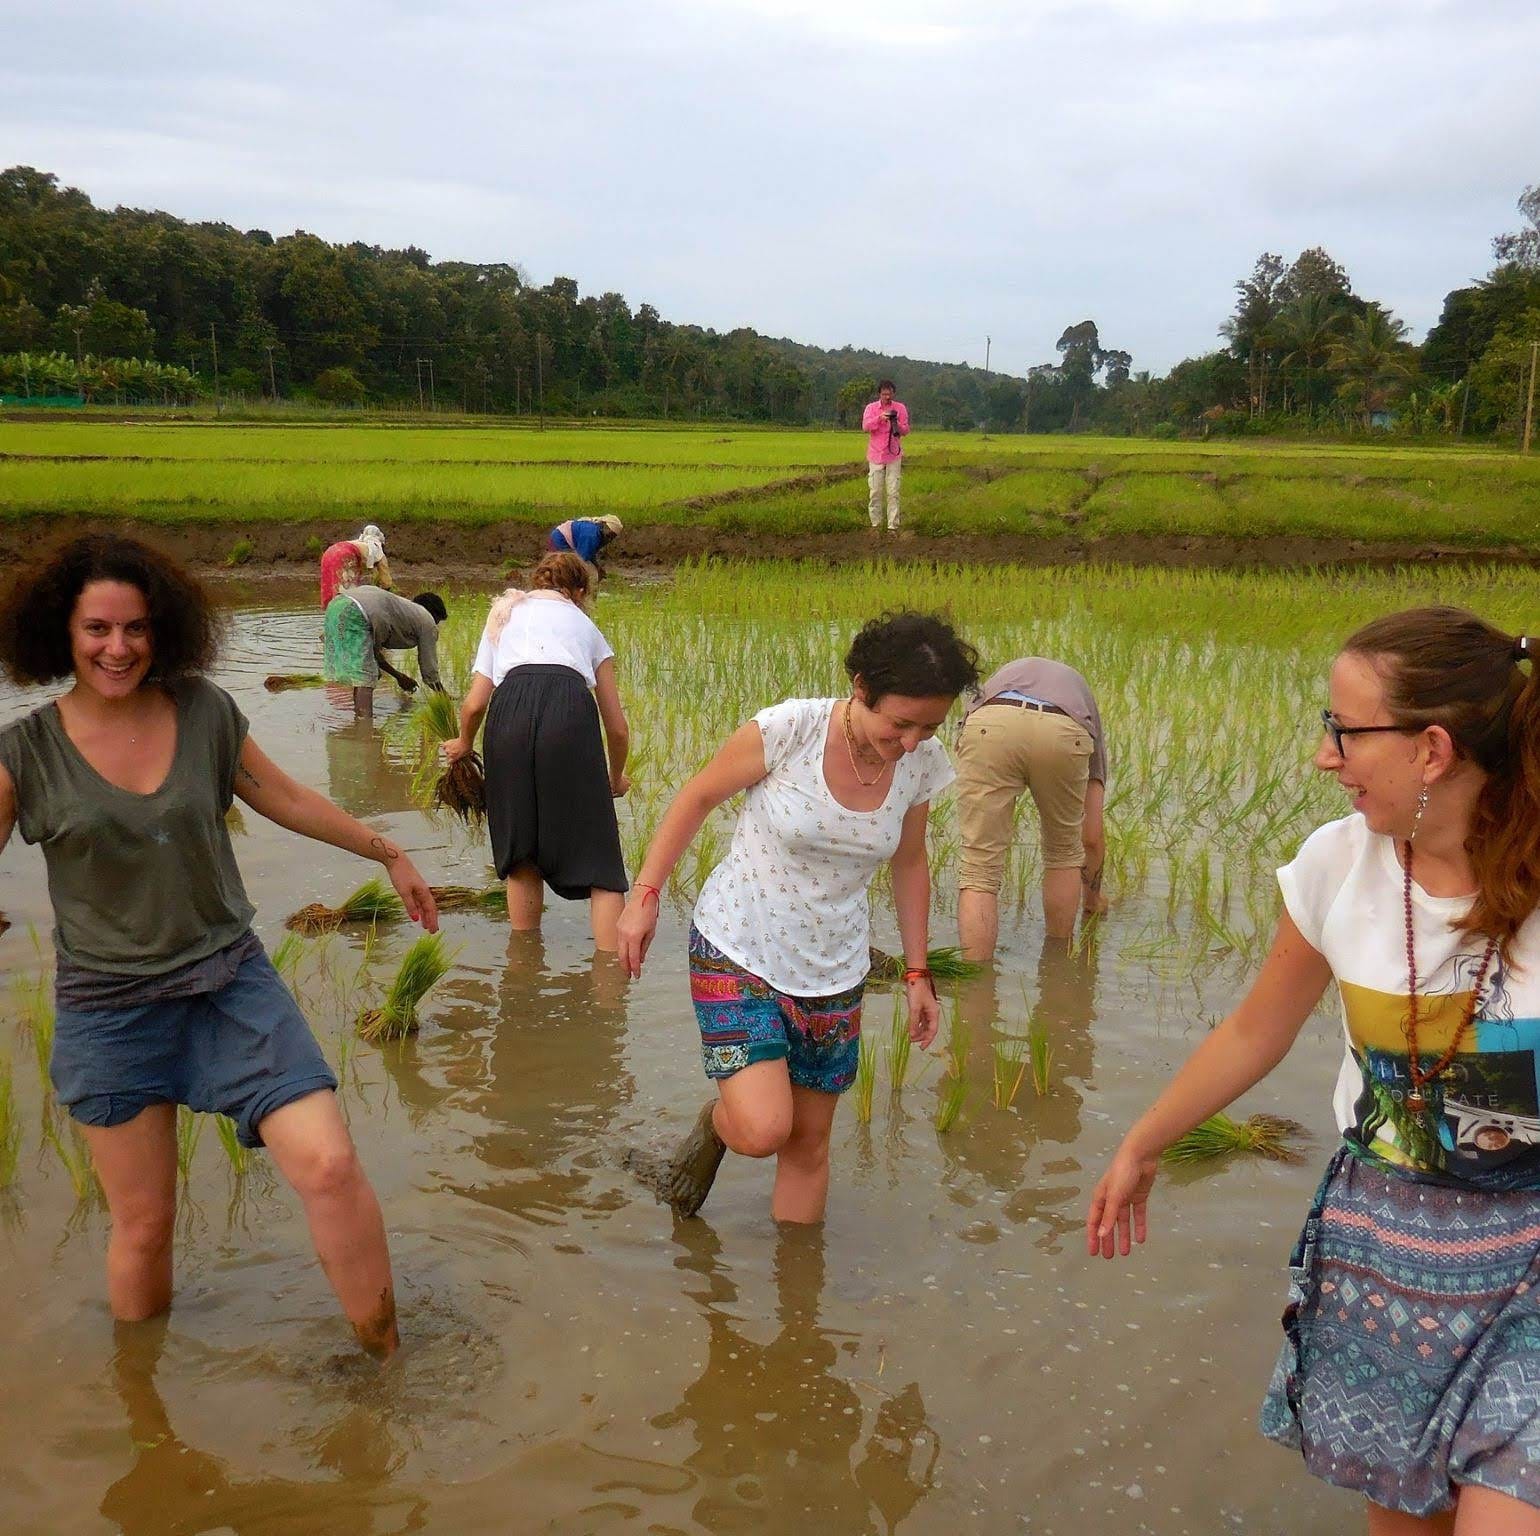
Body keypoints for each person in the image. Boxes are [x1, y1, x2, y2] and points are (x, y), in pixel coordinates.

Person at [1087, 607, 1540, 1533]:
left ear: (1433, 749)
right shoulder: (1338, 866)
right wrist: (1143, 1142)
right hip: (1385, 1247)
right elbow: (1257, 1031)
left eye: (1344, 731)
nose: (1323, 757)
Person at [0, 534, 440, 1357]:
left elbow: (288, 797)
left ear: (161, 629)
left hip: (230, 982)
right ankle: (147, 1423)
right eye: (97, 629)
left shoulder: (202, 711)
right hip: (110, 1008)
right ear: (62, 632)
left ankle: (387, 1368)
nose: (117, 648)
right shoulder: (25, 754)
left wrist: (387, 851)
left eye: (134, 628)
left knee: (330, 1167)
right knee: (145, 1226)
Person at [617, 612, 978, 1223]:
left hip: (834, 967)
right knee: (763, 1129)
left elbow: (911, 861)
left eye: (930, 725)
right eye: (900, 723)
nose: (913, 741)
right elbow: (698, 796)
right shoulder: (792, 729)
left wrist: (918, 973)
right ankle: (716, 1121)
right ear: (861, 688)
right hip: (739, 943)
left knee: (808, 1145)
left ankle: (799, 1308)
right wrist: (645, 894)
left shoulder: (919, 762)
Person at [442, 552, 630, 948]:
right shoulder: (587, 627)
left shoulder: (504, 615)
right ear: (579, 592)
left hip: (508, 712)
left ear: (538, 582)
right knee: (601, 862)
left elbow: (474, 704)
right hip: (569, 711)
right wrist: (614, 778)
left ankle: (523, 970)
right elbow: (617, 726)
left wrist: (463, 743)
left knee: (521, 852)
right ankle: (612, 987)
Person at [956, 656, 1108, 959]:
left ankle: (975, 987)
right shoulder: (1083, 705)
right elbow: (1091, 836)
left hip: (989, 723)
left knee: (979, 868)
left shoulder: (999, 680)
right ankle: (1058, 966)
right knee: (1064, 853)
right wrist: (1093, 901)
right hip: (1063, 729)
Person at [322, 584, 447, 718]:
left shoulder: (401, 609)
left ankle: (359, 722)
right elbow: (429, 669)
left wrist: (399, 676)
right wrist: (444, 697)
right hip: (358, 611)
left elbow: (375, 656)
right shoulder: (427, 620)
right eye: (437, 621)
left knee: (361, 674)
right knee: (365, 677)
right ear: (433, 614)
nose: (435, 625)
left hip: (337, 605)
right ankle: (364, 728)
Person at [861, 380, 909, 532]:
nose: (887, 397)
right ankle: (875, 525)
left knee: (893, 492)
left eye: (889, 394)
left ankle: (892, 527)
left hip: (893, 455)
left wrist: (896, 422)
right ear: (879, 394)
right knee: (875, 491)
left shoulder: (900, 408)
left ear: (893, 394)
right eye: (884, 394)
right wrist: (880, 418)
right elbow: (865, 426)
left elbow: (906, 430)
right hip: (876, 455)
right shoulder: (871, 408)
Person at [318, 524, 392, 607]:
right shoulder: (378, 552)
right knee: (349, 592)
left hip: (329, 552)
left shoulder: (359, 543)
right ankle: (346, 610)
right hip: (344, 555)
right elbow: (386, 580)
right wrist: (388, 591)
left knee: (331, 585)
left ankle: (331, 610)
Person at [548, 514, 623, 575]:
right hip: (560, 539)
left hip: (561, 536)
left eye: (613, 537)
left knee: (567, 567)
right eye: (610, 535)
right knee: (566, 567)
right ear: (605, 527)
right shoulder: (592, 535)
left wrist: (597, 567)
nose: (609, 540)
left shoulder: (596, 530)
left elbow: (590, 552)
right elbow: (582, 559)